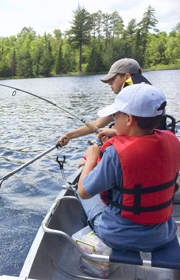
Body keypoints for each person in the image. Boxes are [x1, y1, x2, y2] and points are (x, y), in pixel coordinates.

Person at [77, 83, 180, 252]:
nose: (113, 119)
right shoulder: (173, 141)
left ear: (129, 119)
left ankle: (91, 234)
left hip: (120, 237)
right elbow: (147, 143)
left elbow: (84, 191)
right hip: (163, 234)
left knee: (81, 192)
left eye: (115, 116)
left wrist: (91, 158)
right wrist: (119, 133)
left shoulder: (114, 154)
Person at [57, 58, 152, 147]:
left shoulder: (139, 100)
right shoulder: (147, 94)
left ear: (127, 76)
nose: (109, 83)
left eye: (113, 78)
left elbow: (144, 132)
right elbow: (98, 123)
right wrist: (69, 135)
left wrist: (114, 132)